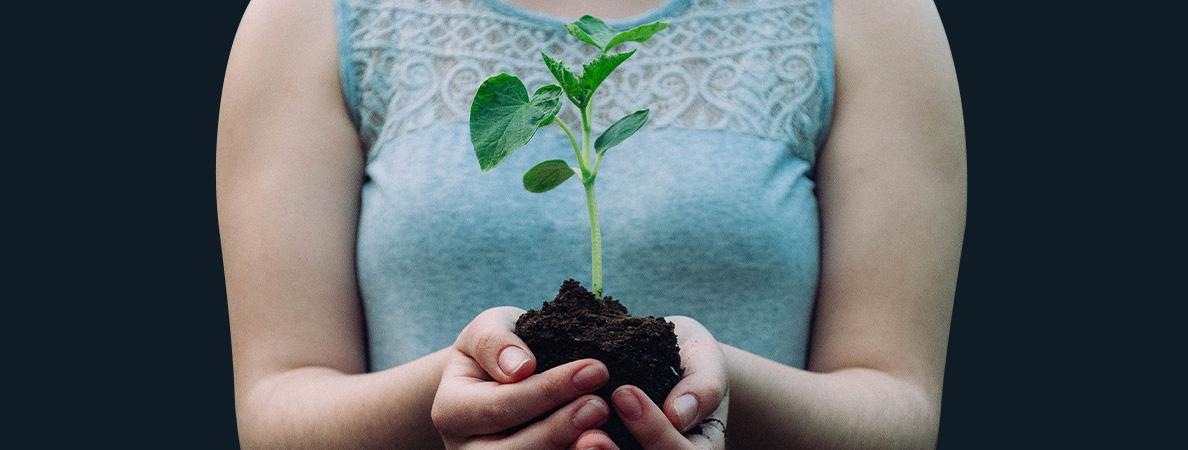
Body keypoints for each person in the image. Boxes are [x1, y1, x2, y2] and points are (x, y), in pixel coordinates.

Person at [216, 0, 965, 448]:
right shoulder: (311, 15)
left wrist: (720, 383)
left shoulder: (871, 15)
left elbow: (899, 411)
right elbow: (275, 411)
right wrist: (469, 393)